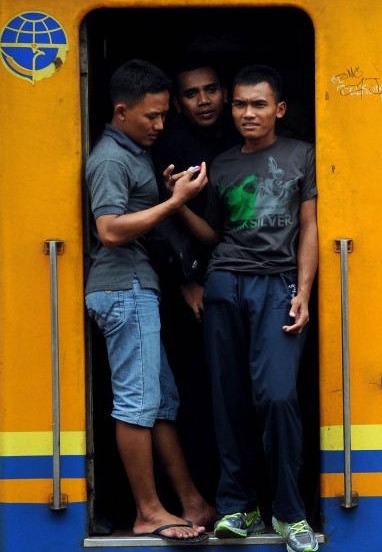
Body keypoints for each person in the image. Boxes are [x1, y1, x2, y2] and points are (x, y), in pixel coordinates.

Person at [172, 64, 319, 552]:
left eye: (258, 104)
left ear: (279, 109)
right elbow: (216, 237)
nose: (247, 113)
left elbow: (310, 228)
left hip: (276, 285)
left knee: (277, 397)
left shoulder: (302, 155)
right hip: (224, 285)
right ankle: (237, 505)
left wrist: (303, 291)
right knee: (227, 399)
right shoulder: (223, 164)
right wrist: (178, 203)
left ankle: (290, 511)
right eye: (239, 104)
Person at [84, 58, 214, 543]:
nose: (161, 125)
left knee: (161, 403)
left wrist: (163, 193)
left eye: (164, 115)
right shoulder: (111, 158)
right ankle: (147, 511)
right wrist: (174, 202)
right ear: (121, 111)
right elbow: (110, 229)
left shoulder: (134, 149)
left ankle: (192, 502)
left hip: (140, 287)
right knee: (138, 403)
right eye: (151, 116)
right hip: (122, 289)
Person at [148, 61, 241, 505]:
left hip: (234, 279)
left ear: (225, 92)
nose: (203, 100)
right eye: (191, 94)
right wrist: (185, 282)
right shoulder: (169, 146)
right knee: (196, 393)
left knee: (236, 392)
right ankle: (202, 494)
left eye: (210, 90)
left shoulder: (240, 136)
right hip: (187, 290)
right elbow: (160, 223)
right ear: (178, 105)